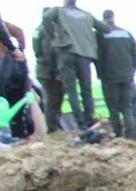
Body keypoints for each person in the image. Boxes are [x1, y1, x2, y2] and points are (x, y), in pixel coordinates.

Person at [41, 0, 107, 130]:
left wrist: (54, 37)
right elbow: (104, 29)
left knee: (71, 90)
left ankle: (80, 122)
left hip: (66, 51)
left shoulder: (58, 10)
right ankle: (89, 120)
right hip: (85, 54)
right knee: (86, 90)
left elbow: (46, 17)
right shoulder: (86, 15)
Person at [97, 9, 136, 140]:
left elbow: (98, 56)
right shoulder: (126, 33)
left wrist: (100, 73)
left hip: (109, 76)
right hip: (127, 75)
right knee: (127, 106)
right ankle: (130, 134)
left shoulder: (101, 34)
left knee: (113, 107)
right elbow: (135, 55)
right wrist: (132, 71)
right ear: (113, 18)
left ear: (103, 19)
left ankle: (117, 133)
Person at [32, 15, 64, 133]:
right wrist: (57, 72)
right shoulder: (46, 31)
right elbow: (49, 52)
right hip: (49, 72)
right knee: (54, 99)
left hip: (42, 69)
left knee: (50, 98)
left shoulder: (37, 30)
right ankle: (52, 127)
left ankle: (53, 125)